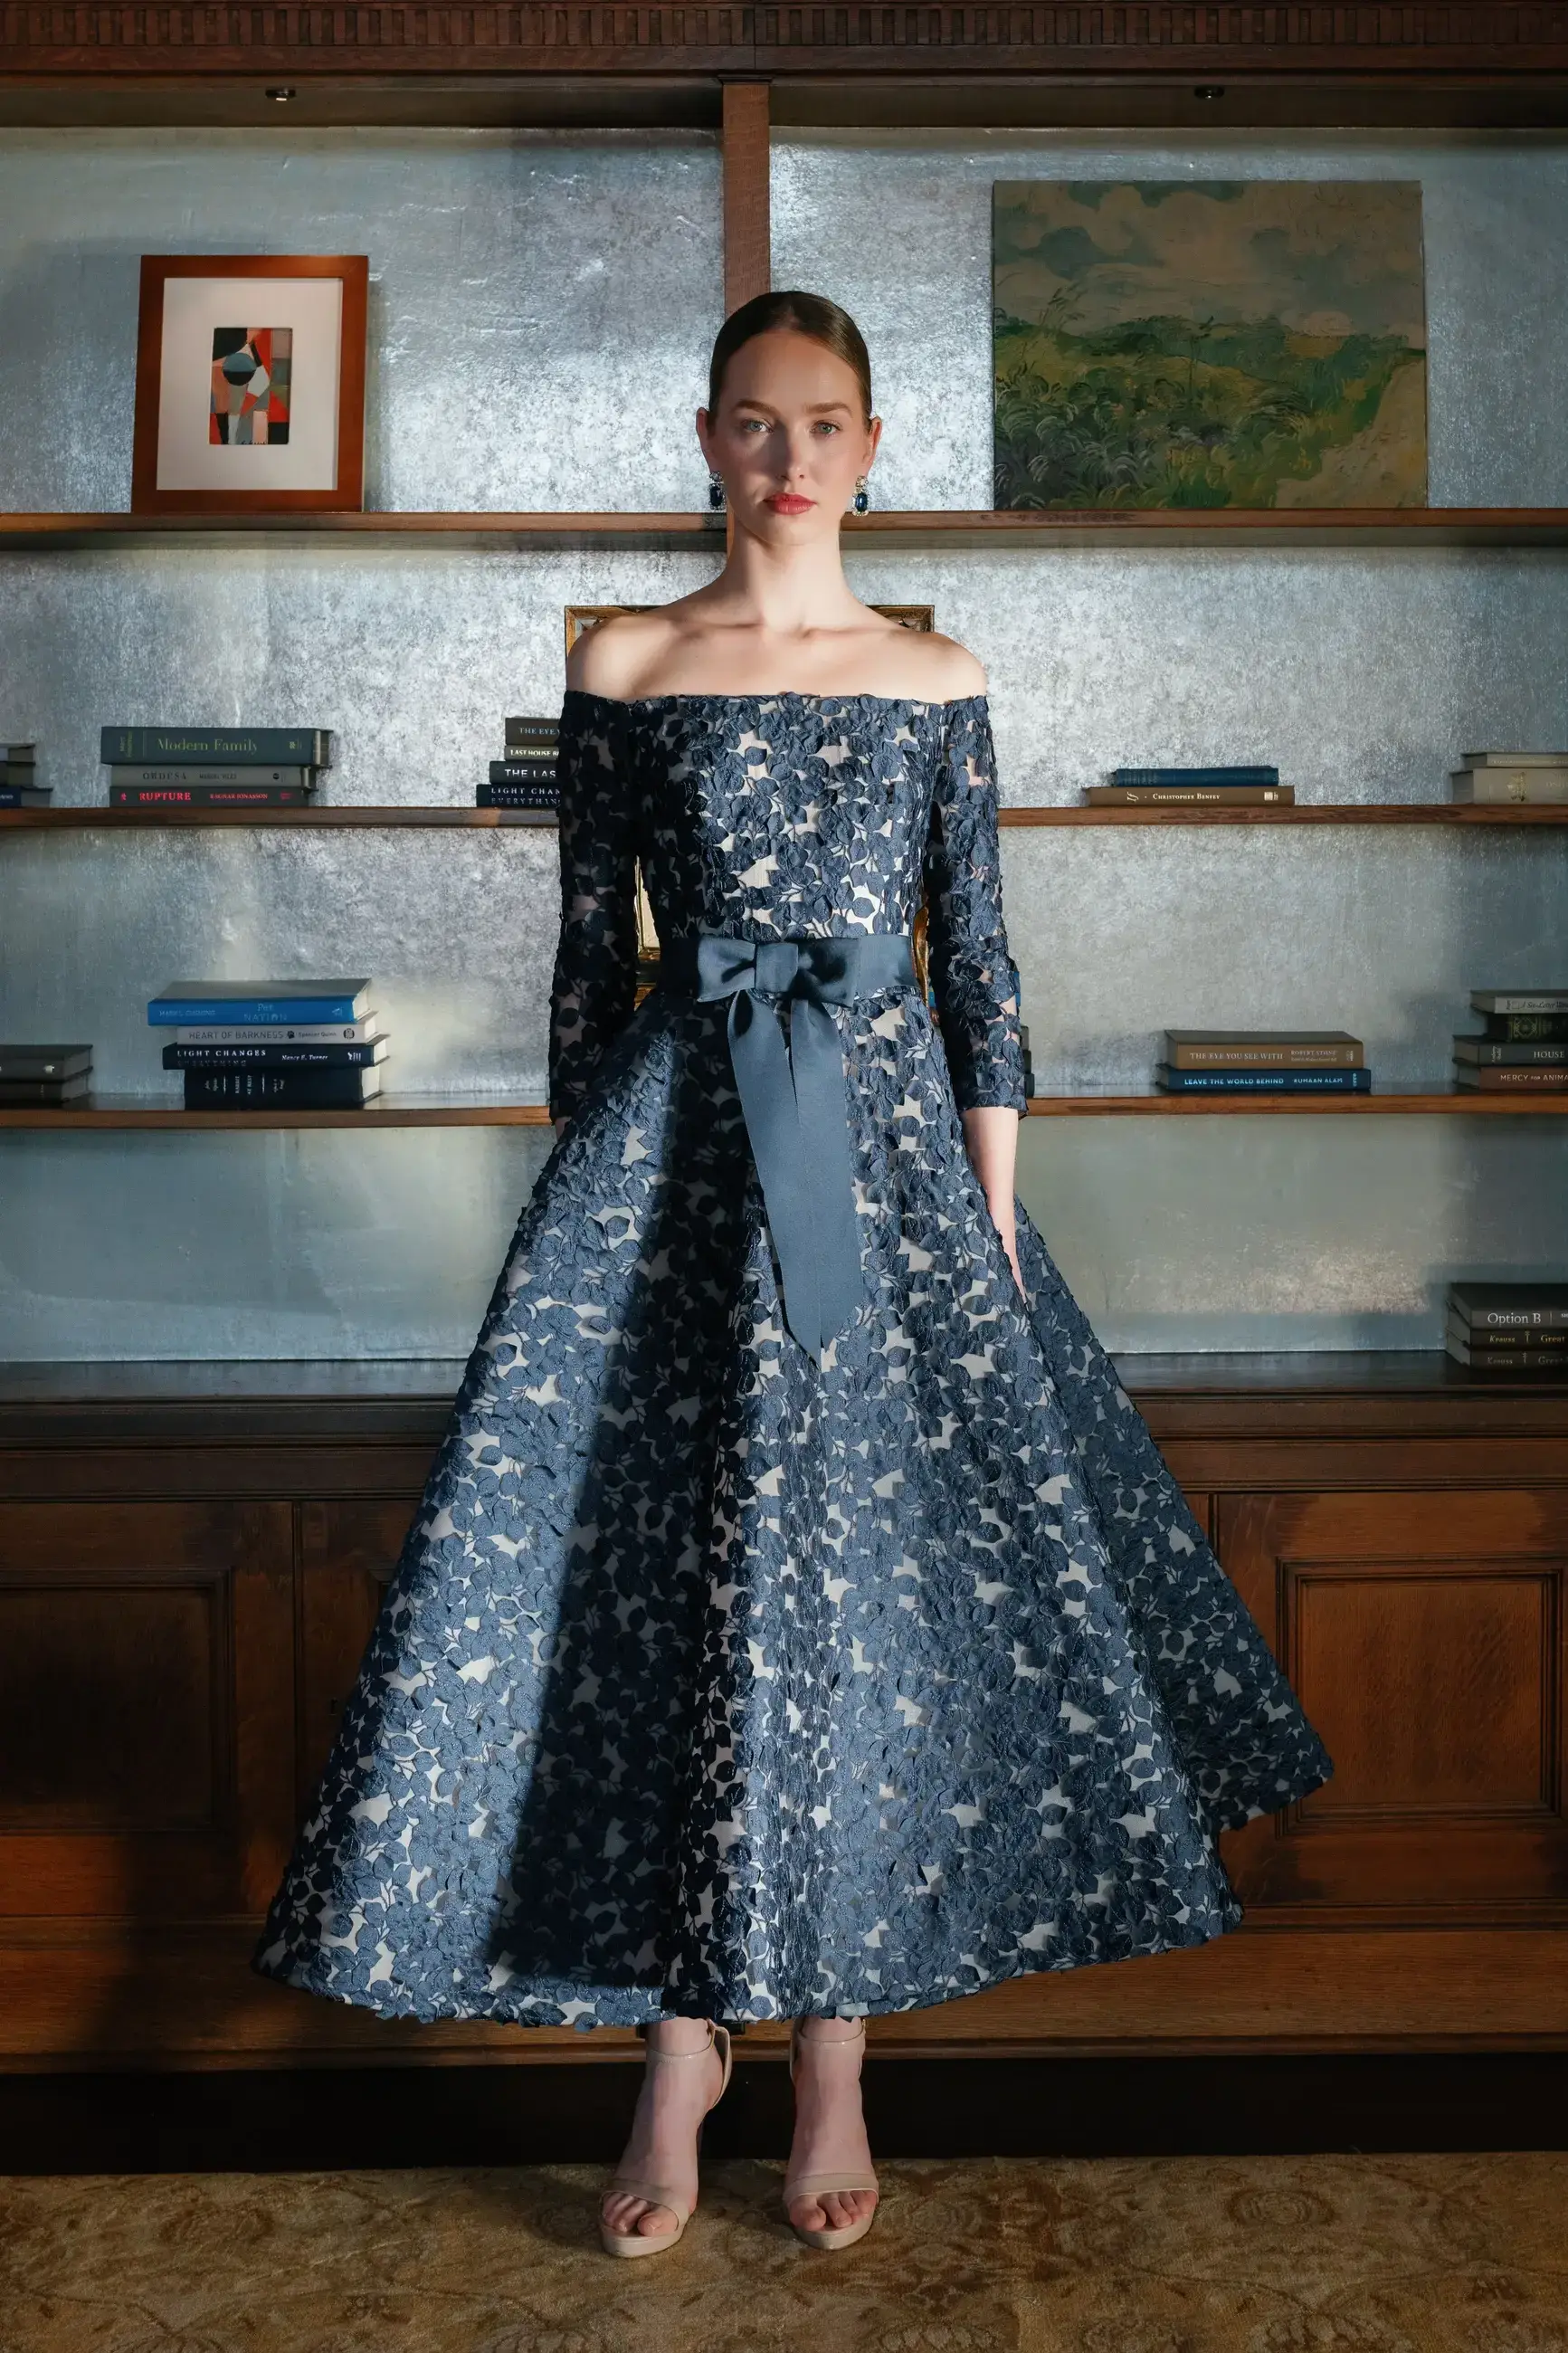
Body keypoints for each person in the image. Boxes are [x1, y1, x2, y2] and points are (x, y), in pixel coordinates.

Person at [254, 289, 1331, 2261]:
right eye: (753, 425)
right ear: (702, 435)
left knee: (863, 1605)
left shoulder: (935, 669)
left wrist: (991, 1224)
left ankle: (830, 2050)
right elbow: (593, 960)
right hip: (671, 1165)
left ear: (870, 440)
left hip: (899, 1164)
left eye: (821, 423)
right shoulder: (625, 654)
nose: (788, 460)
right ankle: (682, 2042)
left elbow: (982, 969)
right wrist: (581, 1219)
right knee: (681, 1593)